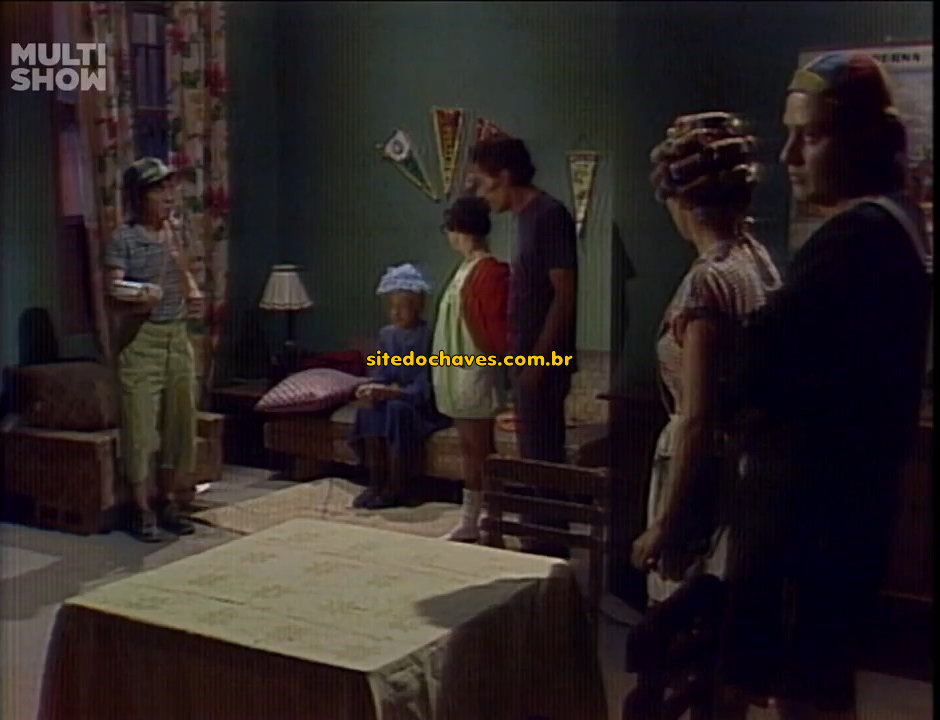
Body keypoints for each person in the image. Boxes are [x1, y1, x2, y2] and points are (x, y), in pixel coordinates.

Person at [716, 53, 931, 719]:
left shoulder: (857, 236)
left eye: (809, 136)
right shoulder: (898, 225)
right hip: (846, 514)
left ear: (863, 139)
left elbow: (755, 362)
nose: (789, 156)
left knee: (806, 693)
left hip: (810, 523)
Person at [629, 112, 782, 604]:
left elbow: (696, 418)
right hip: (745, 462)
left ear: (681, 203)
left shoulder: (707, 281)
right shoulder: (755, 259)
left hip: (701, 470)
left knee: (681, 608)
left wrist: (665, 524)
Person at [468, 137, 578, 555]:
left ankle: (548, 550)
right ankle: (538, 543)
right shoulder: (523, 219)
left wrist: (538, 361)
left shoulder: (549, 215)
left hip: (543, 361)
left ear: (505, 176)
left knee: (543, 461)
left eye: (483, 183)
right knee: (532, 458)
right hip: (525, 359)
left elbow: (564, 294)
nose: (481, 194)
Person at [104, 157, 203, 542]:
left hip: (176, 337)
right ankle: (141, 508)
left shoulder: (175, 232)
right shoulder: (124, 239)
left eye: (168, 188)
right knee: (140, 428)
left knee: (180, 423)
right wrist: (140, 296)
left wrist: (191, 289)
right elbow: (112, 291)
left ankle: (169, 500)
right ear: (139, 196)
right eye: (158, 189)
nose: (167, 196)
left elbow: (182, 268)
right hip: (140, 339)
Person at [431, 197, 510, 542]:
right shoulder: (465, 267)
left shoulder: (487, 270)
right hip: (456, 368)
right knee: (470, 448)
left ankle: (489, 519)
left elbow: (493, 330)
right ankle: (474, 519)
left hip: (473, 369)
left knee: (480, 449)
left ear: (458, 229)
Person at [349, 263, 450, 510]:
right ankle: (375, 482)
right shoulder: (387, 334)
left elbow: (426, 385)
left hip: (422, 405)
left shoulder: (429, 336)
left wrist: (394, 393)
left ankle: (397, 486)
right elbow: (382, 372)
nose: (395, 313)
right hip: (395, 397)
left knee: (396, 409)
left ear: (417, 306)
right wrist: (371, 387)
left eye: (402, 307)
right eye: (392, 307)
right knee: (368, 409)